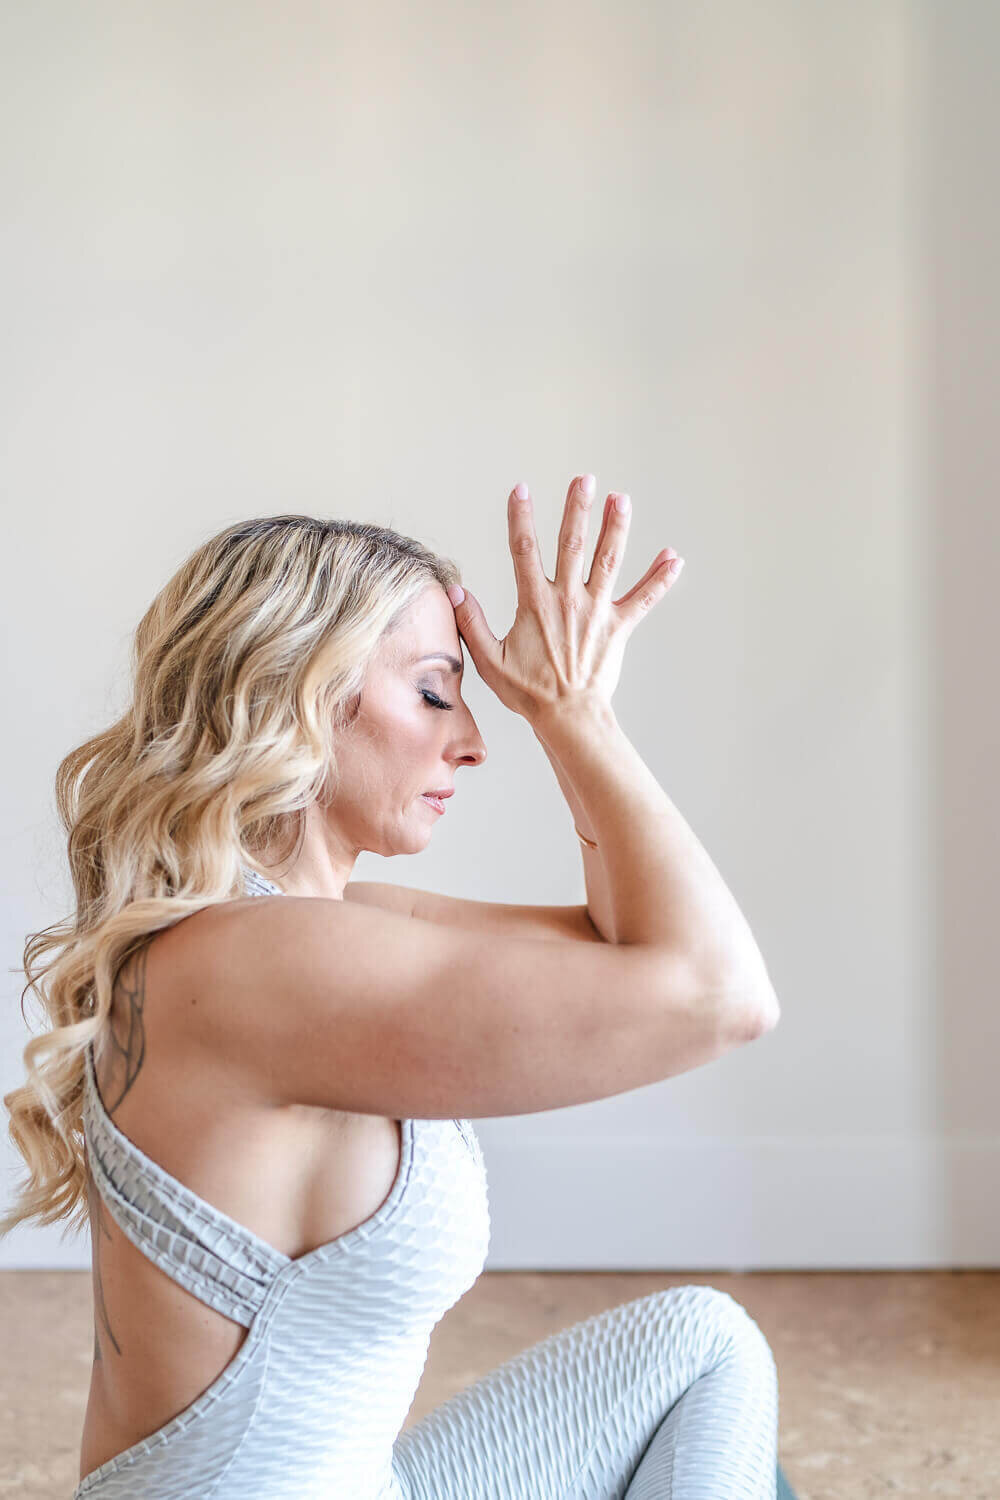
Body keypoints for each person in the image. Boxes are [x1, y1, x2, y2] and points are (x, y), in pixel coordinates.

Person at [2, 475, 794, 1498]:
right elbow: (720, 994)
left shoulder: (314, 931)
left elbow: (638, 940)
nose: (470, 737)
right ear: (300, 692)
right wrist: (573, 715)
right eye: (433, 689)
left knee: (699, 1346)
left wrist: (568, 714)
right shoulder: (260, 964)